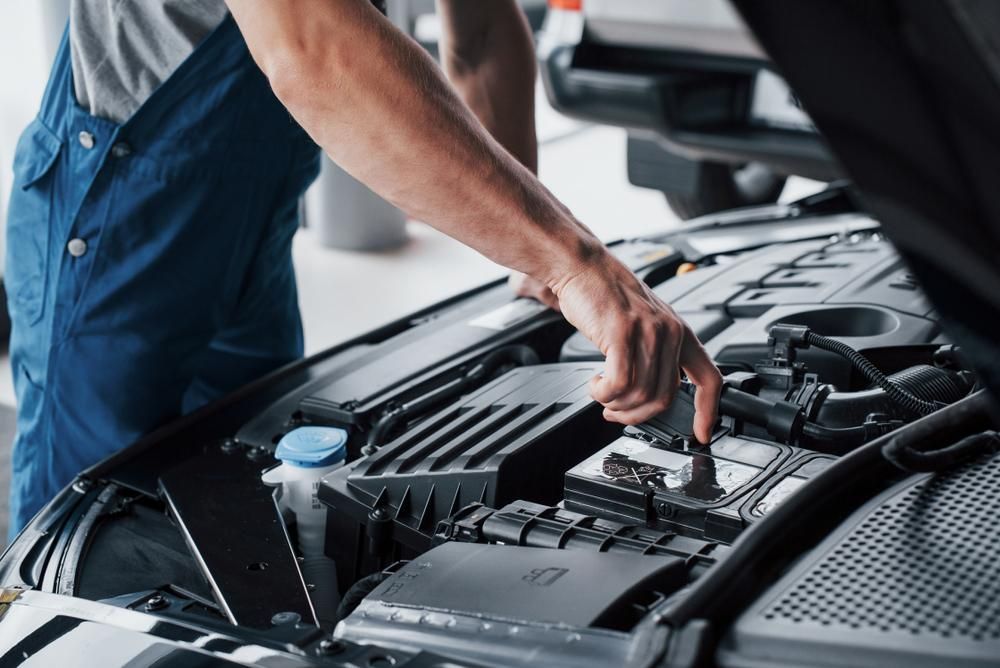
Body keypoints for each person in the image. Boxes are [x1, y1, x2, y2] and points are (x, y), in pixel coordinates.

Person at [4, 0, 722, 535]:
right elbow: (312, 45)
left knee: (251, 507)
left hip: (252, 227)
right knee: (83, 538)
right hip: (120, 220)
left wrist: (533, 267)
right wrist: (571, 263)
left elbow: (479, 36)